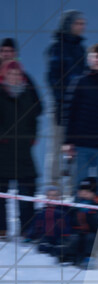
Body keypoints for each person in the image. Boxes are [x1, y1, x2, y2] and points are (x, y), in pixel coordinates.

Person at [63, 44, 98, 196]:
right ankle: (75, 219)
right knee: (77, 187)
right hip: (81, 144)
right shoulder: (79, 82)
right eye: (96, 56)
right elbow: (69, 113)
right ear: (89, 59)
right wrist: (67, 142)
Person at [0, 60, 43, 240]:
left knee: (28, 188)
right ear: (4, 75)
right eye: (11, 74)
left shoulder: (28, 93)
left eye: (18, 74)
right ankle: (2, 229)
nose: (15, 77)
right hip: (3, 150)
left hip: (24, 149)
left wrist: (31, 136)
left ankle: (27, 227)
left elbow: (36, 114)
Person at [45, 10, 87, 186]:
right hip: (61, 107)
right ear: (68, 24)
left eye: (83, 23)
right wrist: (63, 99)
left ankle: (73, 186)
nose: (81, 27)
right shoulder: (57, 47)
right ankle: (53, 186)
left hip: (79, 108)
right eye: (78, 23)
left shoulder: (81, 49)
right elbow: (52, 77)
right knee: (56, 147)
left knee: (76, 148)